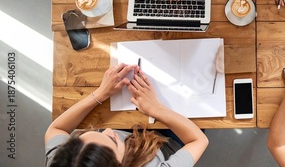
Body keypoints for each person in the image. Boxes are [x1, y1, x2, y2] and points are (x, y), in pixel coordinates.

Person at [45, 63, 208, 166]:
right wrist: (156, 108)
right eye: (112, 140)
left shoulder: (67, 162)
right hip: (168, 142)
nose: (108, 130)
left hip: (131, 128)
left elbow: (56, 129)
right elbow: (198, 140)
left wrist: (100, 94)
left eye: (88, 135)